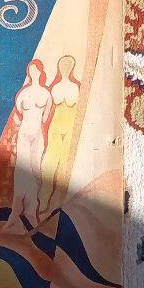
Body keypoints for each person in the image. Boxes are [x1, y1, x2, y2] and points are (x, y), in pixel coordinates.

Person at [5, 60, 53, 231]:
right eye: (30, 71)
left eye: (36, 70)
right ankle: (16, 210)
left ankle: (32, 210)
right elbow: (18, 114)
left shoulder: (46, 94)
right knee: (21, 169)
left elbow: (45, 118)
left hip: (37, 135)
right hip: (24, 134)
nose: (33, 73)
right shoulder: (23, 94)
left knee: (35, 170)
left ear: (40, 72)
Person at [39, 54, 81, 215]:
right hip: (56, 125)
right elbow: (49, 108)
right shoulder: (55, 87)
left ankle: (59, 203)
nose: (66, 68)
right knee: (50, 162)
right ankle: (43, 200)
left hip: (70, 126)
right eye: (63, 65)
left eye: (68, 65)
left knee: (65, 163)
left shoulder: (76, 86)